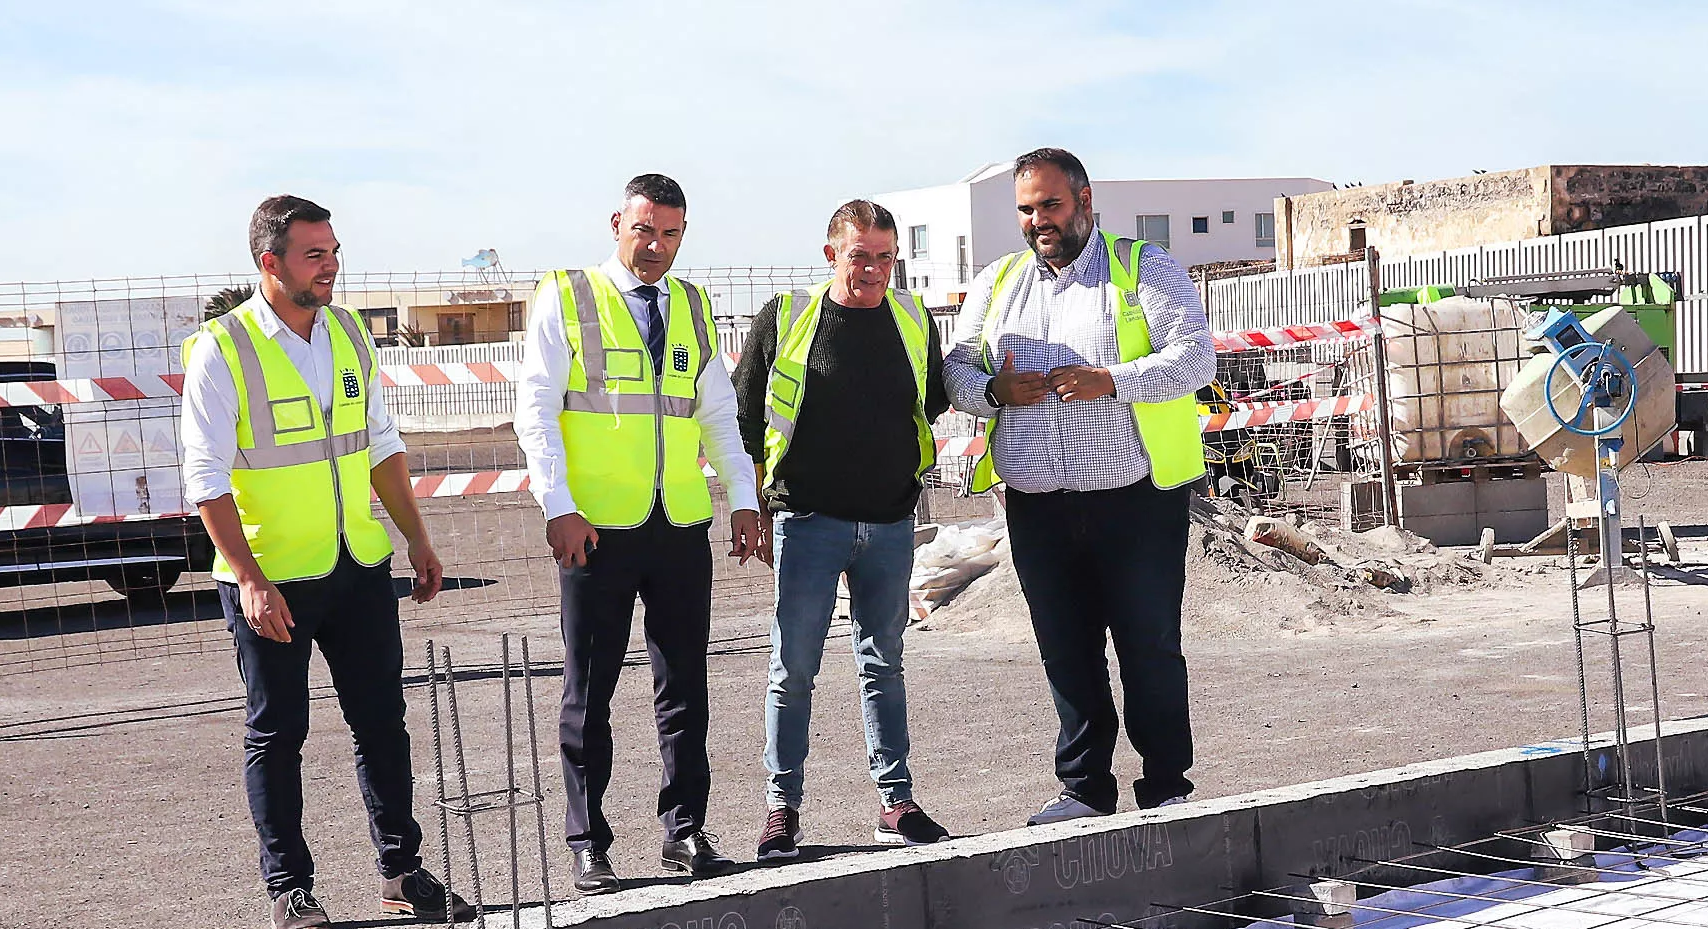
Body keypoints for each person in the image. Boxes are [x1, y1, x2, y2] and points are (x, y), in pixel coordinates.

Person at [181, 194, 458, 929]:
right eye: (315, 254)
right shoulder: (223, 350)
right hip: (273, 578)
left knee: (382, 724)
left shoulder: (346, 334)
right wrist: (247, 577)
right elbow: (204, 479)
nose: (331, 265)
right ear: (270, 263)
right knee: (279, 734)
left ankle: (402, 873)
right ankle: (291, 889)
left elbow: (381, 446)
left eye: (334, 251)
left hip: (358, 567)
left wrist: (417, 540)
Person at [942, 145, 1216, 823]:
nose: (1040, 221)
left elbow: (1195, 356)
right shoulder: (1000, 282)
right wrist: (994, 390)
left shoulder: (1143, 269)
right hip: (1038, 507)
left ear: (1084, 201)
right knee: (1067, 652)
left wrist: (1112, 382)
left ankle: (1166, 787)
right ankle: (1084, 791)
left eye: (1052, 205)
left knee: (1147, 645)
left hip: (1135, 501)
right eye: (1028, 209)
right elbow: (956, 369)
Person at [516, 172, 767, 888]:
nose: (656, 246)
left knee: (685, 688)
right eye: (644, 230)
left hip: (678, 524)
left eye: (671, 234)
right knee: (588, 690)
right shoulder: (567, 297)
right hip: (595, 528)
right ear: (616, 225)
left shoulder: (690, 303)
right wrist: (556, 505)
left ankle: (685, 831)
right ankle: (587, 842)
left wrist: (742, 498)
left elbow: (716, 412)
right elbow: (534, 409)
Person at [733, 200, 956, 860]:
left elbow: (933, 398)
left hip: (890, 524)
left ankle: (896, 803)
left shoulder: (913, 320)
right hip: (808, 522)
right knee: (792, 670)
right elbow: (747, 419)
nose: (874, 270)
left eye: (886, 257)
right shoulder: (789, 318)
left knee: (884, 664)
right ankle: (782, 810)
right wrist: (755, 509)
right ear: (831, 254)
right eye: (861, 256)